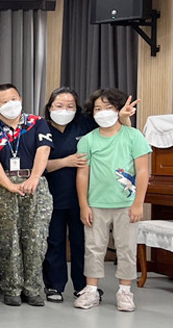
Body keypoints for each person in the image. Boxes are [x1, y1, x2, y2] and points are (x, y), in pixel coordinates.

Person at [42, 88, 137, 302]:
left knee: (82, 243)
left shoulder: (85, 125)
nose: (64, 110)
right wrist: (65, 161)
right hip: (51, 195)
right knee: (54, 241)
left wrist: (123, 117)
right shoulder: (41, 128)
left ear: (77, 109)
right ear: (49, 107)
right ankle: (54, 286)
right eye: (59, 105)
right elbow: (36, 164)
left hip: (84, 197)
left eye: (70, 106)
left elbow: (116, 133)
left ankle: (84, 286)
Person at [75, 89, 151, 312]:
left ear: (118, 110)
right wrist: (84, 205)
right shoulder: (88, 140)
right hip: (96, 204)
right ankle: (91, 290)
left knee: (126, 248)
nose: (102, 112)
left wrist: (138, 203)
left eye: (108, 108)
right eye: (98, 109)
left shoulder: (134, 136)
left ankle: (125, 291)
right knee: (93, 248)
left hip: (126, 204)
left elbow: (143, 171)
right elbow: (82, 174)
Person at [0, 84, 53, 307]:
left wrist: (34, 178)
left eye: (13, 98)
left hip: (35, 183)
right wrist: (9, 185)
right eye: (4, 101)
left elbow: (44, 150)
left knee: (36, 237)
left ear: (20, 98)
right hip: (4, 186)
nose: (10, 104)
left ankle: (33, 288)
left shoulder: (37, 123)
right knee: (7, 238)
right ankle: (11, 287)